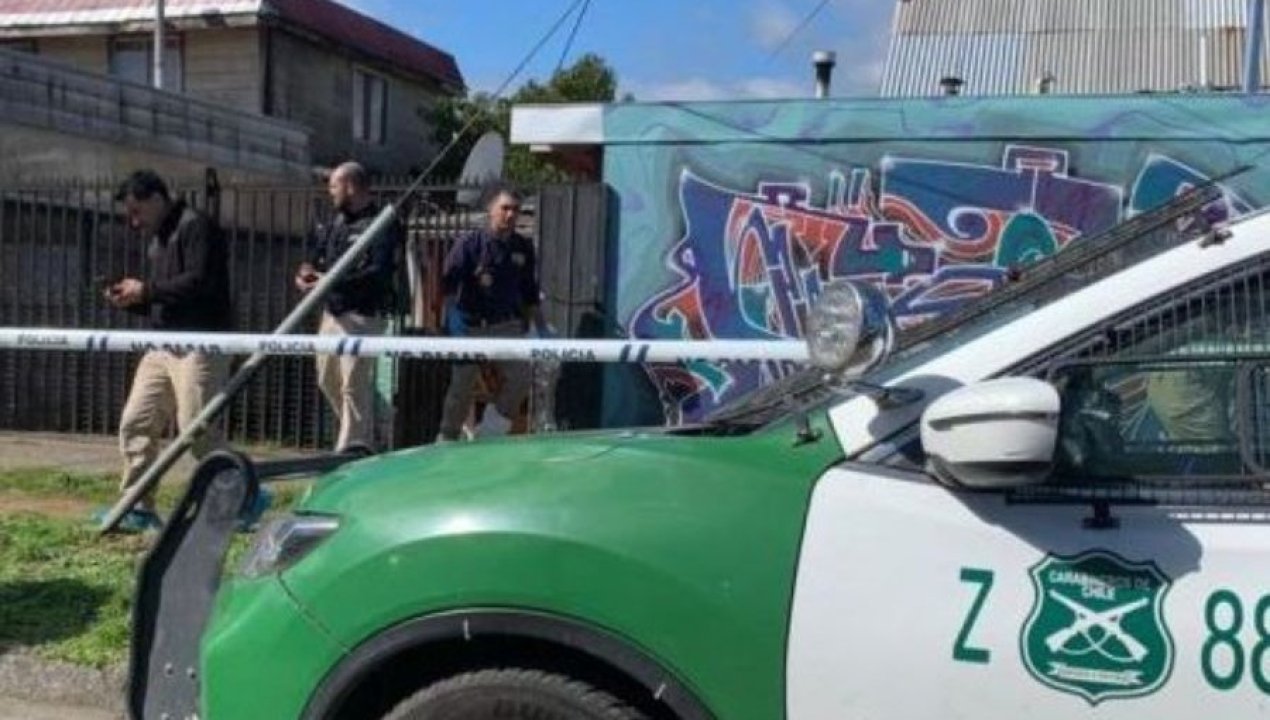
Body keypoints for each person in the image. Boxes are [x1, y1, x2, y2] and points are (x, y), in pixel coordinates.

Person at [104, 170, 233, 532]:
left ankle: (244, 494)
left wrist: (146, 291)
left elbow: (198, 283)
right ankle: (136, 506)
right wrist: (133, 301)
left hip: (200, 342)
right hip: (162, 343)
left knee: (197, 430)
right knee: (136, 422)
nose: (133, 221)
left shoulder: (197, 226)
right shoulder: (158, 239)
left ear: (157, 199)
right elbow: (165, 297)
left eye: (137, 211)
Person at [295, 162, 401, 451]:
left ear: (350, 186)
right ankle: (367, 430)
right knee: (326, 378)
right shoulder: (337, 221)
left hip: (362, 315)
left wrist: (330, 281)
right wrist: (306, 271)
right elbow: (316, 253)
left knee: (353, 385)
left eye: (334, 186)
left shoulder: (382, 223)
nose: (330, 192)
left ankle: (351, 449)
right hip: (333, 312)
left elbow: (379, 273)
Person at [438, 185, 544, 441]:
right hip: (469, 325)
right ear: (490, 210)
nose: (511, 215)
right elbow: (447, 286)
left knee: (522, 376)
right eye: (505, 208)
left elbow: (529, 291)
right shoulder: (469, 244)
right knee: (461, 385)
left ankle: (490, 431)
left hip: (505, 326)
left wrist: (538, 327)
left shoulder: (522, 247)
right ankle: (446, 437)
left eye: (516, 210)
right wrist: (451, 324)